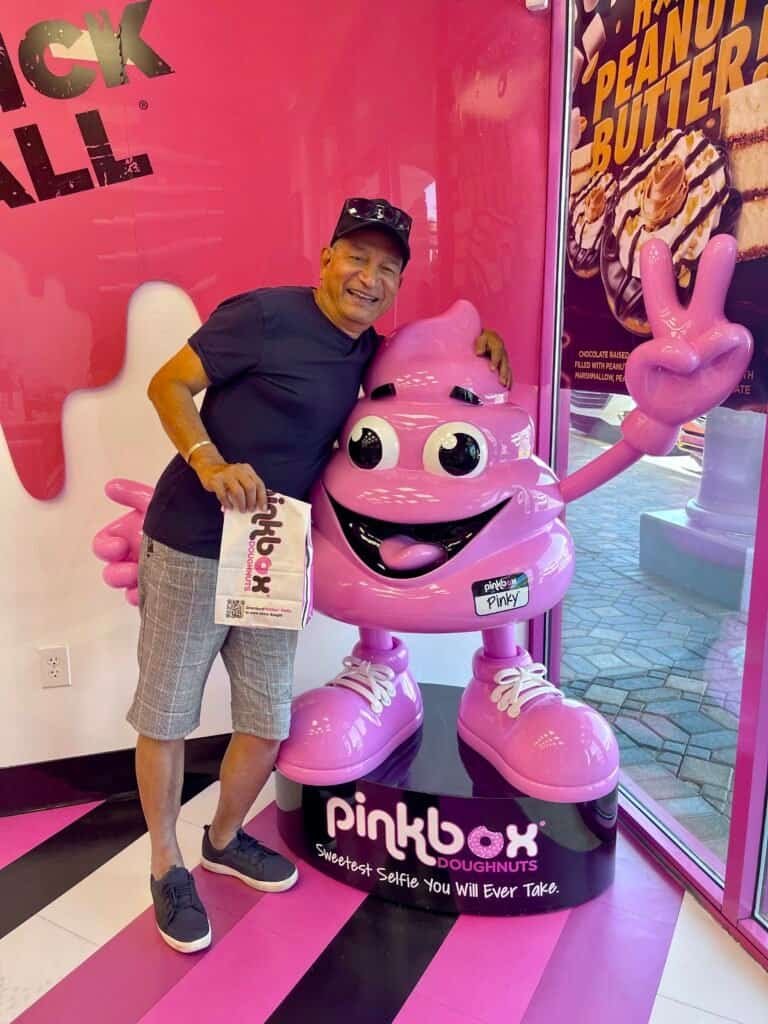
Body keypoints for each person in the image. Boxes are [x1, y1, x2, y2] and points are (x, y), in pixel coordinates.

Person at [133, 197, 512, 953]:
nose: (368, 278)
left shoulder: (370, 353)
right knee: (168, 713)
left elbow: (425, 364)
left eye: (387, 269)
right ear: (326, 259)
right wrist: (209, 462)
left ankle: (224, 836)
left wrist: (485, 343)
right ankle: (166, 862)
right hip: (188, 540)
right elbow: (166, 386)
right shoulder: (263, 317)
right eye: (357, 259)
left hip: (272, 553)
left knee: (267, 720)